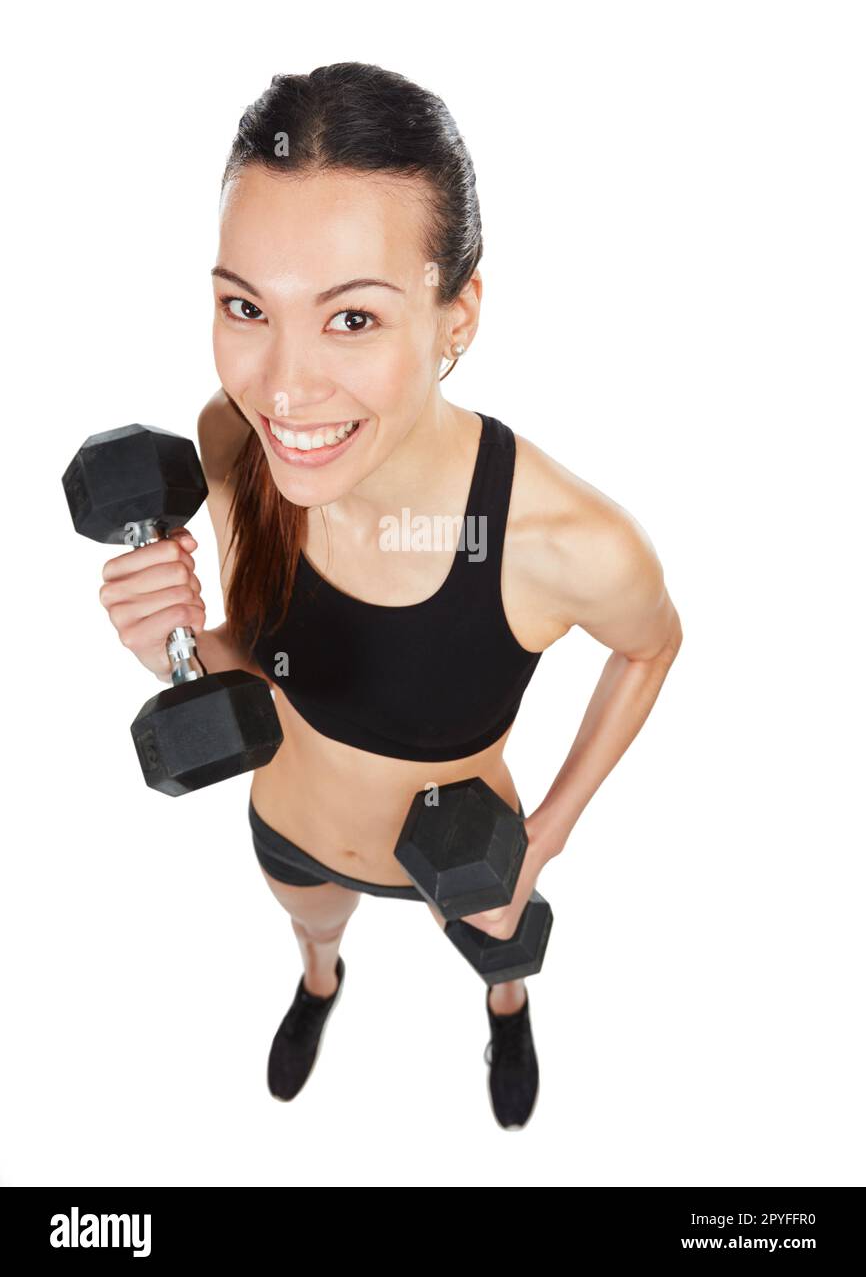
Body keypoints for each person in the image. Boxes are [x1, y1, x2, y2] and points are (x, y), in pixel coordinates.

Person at [97, 62, 683, 1130]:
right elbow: (275, 667)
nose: (281, 386)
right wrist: (176, 651)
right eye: (244, 306)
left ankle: (505, 1009)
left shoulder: (560, 540)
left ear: (456, 311)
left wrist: (545, 834)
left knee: (500, 965)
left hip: (471, 862)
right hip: (288, 821)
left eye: (351, 319)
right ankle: (321, 985)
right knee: (310, 934)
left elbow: (650, 646)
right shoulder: (237, 446)